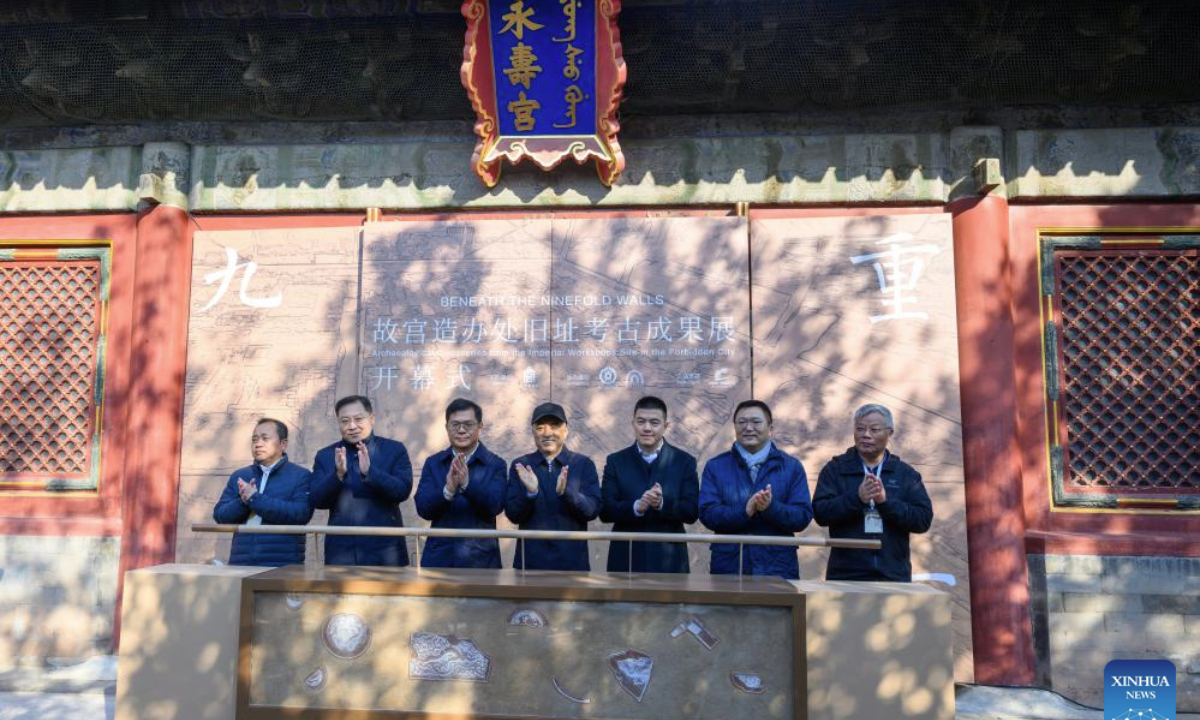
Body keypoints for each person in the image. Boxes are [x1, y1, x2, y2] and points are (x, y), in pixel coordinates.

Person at [813, 403, 933, 582]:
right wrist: (856, 499)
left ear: (889, 432)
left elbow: (922, 520)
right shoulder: (835, 469)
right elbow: (820, 514)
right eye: (860, 429)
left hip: (893, 575)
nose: (866, 435)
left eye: (874, 429)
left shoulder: (904, 474)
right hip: (845, 576)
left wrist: (886, 502)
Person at [698, 400, 814, 579]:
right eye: (742, 422)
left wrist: (771, 507)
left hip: (778, 568)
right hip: (729, 568)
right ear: (734, 427)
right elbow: (708, 513)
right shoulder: (715, 466)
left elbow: (802, 516)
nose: (748, 428)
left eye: (756, 422)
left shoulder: (791, 467)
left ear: (770, 428)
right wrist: (744, 511)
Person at [599, 396, 699, 573]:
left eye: (654, 422)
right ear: (633, 423)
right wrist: (637, 506)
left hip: (670, 559)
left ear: (665, 426)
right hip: (626, 557)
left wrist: (662, 503)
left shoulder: (684, 462)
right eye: (641, 421)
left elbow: (691, 511)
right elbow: (605, 510)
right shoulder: (616, 461)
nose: (647, 428)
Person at [310, 395, 413, 566]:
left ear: (371, 419)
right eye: (345, 421)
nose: (352, 426)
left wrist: (370, 473)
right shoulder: (326, 455)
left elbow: (402, 491)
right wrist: (338, 475)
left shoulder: (394, 449)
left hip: (386, 550)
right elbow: (316, 500)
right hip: (341, 551)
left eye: (358, 419)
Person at [504, 402, 601, 571]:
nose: (547, 433)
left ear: (566, 430)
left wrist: (567, 493)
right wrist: (530, 493)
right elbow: (513, 514)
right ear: (532, 431)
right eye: (540, 428)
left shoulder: (582, 464)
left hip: (572, 563)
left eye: (555, 426)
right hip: (530, 563)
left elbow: (592, 511)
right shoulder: (521, 465)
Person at [414, 398, 507, 568]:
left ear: (480, 426)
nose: (461, 430)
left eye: (468, 424)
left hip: (481, 559)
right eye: (455, 424)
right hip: (439, 557)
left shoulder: (495, 464)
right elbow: (423, 509)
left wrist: (467, 485)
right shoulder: (434, 463)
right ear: (446, 427)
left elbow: (495, 506)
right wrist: (447, 491)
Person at [212, 418, 313, 566]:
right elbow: (220, 516)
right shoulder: (241, 475)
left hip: (282, 564)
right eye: (254, 439)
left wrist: (255, 498)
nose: (258, 444)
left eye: (265, 438)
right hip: (241, 562)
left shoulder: (300, 475)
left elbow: (301, 514)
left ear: (283, 444)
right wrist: (243, 501)